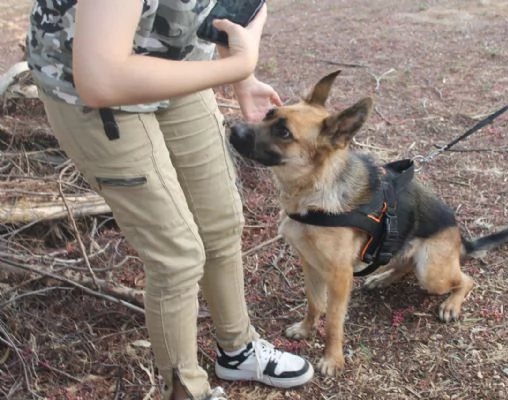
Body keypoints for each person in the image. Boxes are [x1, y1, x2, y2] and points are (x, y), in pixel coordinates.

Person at [26, 1, 314, 399]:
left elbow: (237, 9)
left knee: (221, 222)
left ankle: (238, 350)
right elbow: (101, 78)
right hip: (94, 89)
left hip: (176, 66)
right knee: (177, 255)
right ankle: (185, 391)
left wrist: (242, 74)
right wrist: (237, 66)